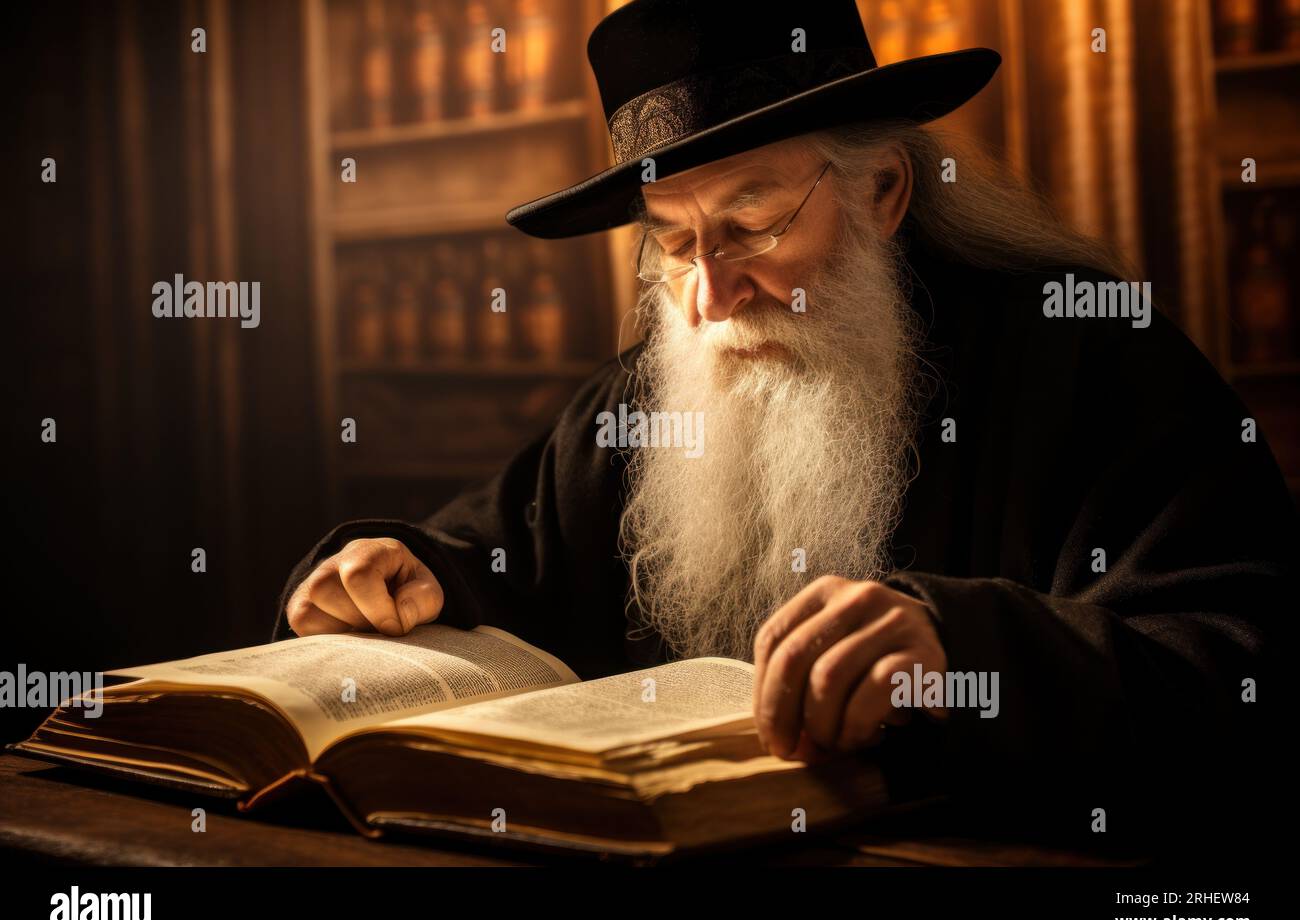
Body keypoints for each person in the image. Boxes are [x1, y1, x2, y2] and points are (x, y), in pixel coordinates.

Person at [275, 0, 1292, 851]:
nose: (710, 294)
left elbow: (1243, 665)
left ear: (884, 190)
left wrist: (966, 649)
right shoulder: (647, 397)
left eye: (750, 224)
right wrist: (402, 566)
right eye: (672, 244)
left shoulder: (1087, 354)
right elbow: (501, 551)